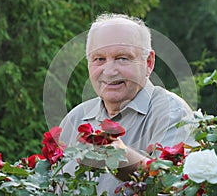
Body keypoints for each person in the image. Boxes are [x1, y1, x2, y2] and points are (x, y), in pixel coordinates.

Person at [59, 13, 197, 195]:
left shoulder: (172, 113)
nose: (109, 71)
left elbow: (174, 186)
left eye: (122, 58)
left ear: (149, 63)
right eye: (99, 59)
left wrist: (120, 156)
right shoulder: (75, 119)